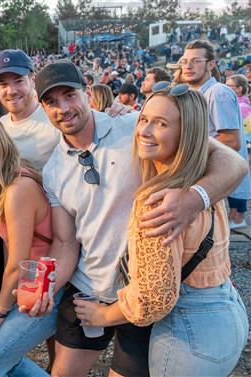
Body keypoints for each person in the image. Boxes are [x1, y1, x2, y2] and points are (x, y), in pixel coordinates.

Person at [34, 60, 247, 377]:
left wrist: (194, 199)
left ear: (88, 93)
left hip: (148, 299)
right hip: (92, 289)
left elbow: (234, 162)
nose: (62, 108)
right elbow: (66, 242)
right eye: (51, 101)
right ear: (43, 108)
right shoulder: (54, 169)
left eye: (69, 95)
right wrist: (45, 287)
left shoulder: (137, 129)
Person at [0, 116, 78, 376]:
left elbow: (17, 261)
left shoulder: (17, 189)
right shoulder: (0, 184)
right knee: (4, 359)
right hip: (29, 286)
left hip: (49, 290)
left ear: (1, 146)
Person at [181, 40, 251, 230]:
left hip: (219, 176)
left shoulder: (217, 92)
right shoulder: (196, 93)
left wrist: (185, 150)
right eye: (185, 61)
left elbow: (231, 141)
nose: (187, 66)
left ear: (211, 64)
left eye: (195, 61)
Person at [0, 49, 60, 171]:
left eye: (18, 81)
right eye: (3, 85)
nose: (11, 91)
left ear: (32, 80)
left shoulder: (56, 120)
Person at [227, 74, 251, 155]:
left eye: (228, 86)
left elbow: (247, 133)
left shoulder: (241, 107)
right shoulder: (239, 104)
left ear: (239, 89)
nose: (225, 88)